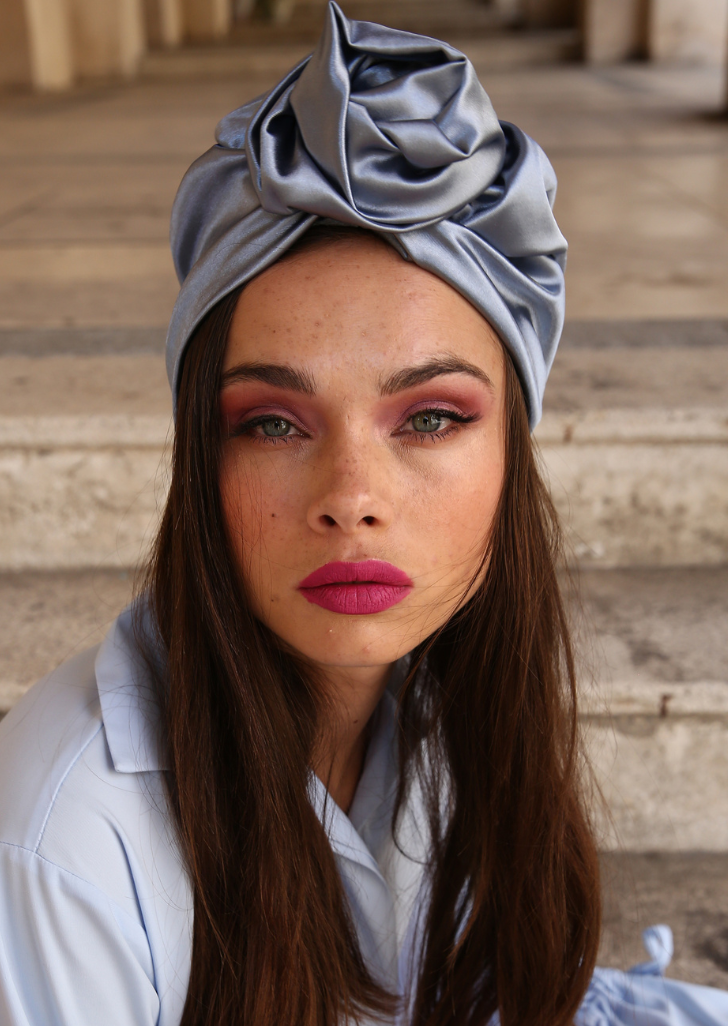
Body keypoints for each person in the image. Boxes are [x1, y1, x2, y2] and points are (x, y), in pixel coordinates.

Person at [0, 4, 726, 1025]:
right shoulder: (62, 843)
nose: (351, 499)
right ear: (197, 463)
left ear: (512, 458)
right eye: (272, 425)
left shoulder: (442, 695)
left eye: (428, 417)